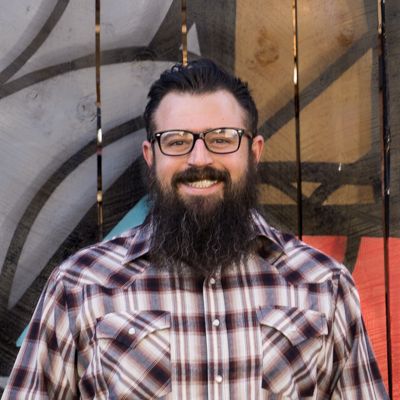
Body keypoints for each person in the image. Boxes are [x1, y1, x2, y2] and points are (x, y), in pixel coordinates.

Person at [3, 59, 388, 399]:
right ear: (151, 157)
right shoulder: (80, 286)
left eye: (221, 139)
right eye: (176, 142)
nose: (199, 159)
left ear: (254, 152)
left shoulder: (323, 284)